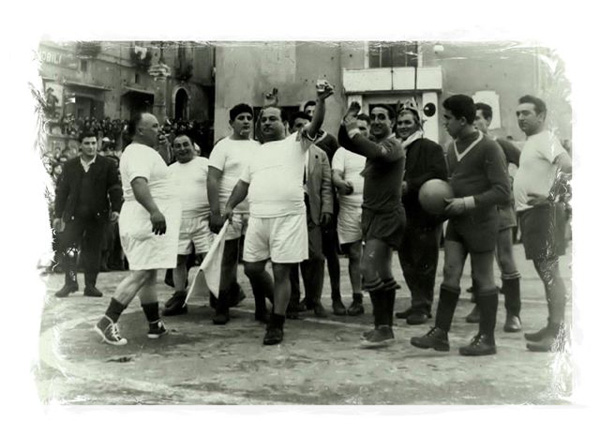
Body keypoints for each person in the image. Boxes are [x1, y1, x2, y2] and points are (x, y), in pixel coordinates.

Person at [223, 81, 334, 345]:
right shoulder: (256, 152)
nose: (267, 123)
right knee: (251, 268)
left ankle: (277, 323)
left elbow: (315, 124)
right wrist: (228, 205)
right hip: (259, 217)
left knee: (282, 271)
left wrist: (321, 101)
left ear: (285, 125)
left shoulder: (297, 143)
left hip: (288, 217)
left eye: (273, 119)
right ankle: (280, 302)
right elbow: (242, 184)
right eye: (264, 119)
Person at [410, 95, 511, 356]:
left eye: (448, 118)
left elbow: (503, 192)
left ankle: (487, 339)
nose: (444, 123)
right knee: (450, 271)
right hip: (457, 221)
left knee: (482, 278)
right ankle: (440, 334)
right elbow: (453, 182)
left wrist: (465, 203)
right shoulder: (451, 146)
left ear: (462, 120)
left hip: (482, 222)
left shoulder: (490, 147)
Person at [94, 113, 182, 346]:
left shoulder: (145, 152)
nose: (159, 129)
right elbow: (138, 183)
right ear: (140, 130)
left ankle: (154, 325)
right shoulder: (138, 152)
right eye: (154, 126)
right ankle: (107, 320)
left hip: (144, 219)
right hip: (144, 219)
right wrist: (154, 211)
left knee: (148, 274)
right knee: (141, 274)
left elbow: (156, 174)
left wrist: (163, 147)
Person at [338, 102, 406, 348]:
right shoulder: (376, 145)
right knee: (385, 273)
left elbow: (377, 153)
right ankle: (384, 328)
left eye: (382, 117)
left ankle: (382, 327)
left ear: (392, 123)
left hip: (387, 216)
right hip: (373, 216)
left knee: (367, 269)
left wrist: (354, 130)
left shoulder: (393, 145)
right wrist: (347, 121)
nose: (376, 121)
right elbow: (347, 143)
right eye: (374, 117)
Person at [513, 95, 571, 352]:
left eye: (526, 112)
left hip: (544, 214)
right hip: (532, 215)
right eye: (518, 113)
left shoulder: (546, 139)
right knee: (545, 272)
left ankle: (557, 332)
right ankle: (552, 327)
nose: (521, 117)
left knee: (550, 274)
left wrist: (552, 196)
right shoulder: (533, 142)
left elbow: (568, 165)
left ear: (541, 115)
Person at [465, 102, 523, 333]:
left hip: (499, 209)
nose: (475, 123)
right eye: (471, 119)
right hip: (476, 210)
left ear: (488, 121)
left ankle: (513, 314)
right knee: (478, 263)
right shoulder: (466, 146)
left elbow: (525, 164)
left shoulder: (499, 144)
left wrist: (513, 184)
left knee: (505, 260)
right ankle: (481, 306)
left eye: (479, 118)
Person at [393, 102, 449, 325]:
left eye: (408, 122)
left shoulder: (430, 147)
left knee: (424, 261)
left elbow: (439, 174)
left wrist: (411, 185)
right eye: (400, 123)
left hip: (425, 214)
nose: (404, 126)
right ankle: (416, 301)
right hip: (401, 214)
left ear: (417, 123)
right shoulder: (396, 148)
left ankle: (423, 306)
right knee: (406, 260)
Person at [208, 104, 261, 324]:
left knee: (256, 260)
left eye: (249, 117)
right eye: (241, 118)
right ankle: (222, 306)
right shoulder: (222, 147)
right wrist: (215, 212)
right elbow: (212, 179)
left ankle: (261, 308)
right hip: (229, 211)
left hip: (254, 210)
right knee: (227, 260)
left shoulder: (258, 146)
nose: (246, 121)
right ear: (231, 123)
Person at [54, 131, 123, 298]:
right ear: (80, 146)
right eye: (87, 143)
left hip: (97, 215)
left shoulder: (107, 164)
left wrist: (116, 209)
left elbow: (114, 187)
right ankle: (70, 284)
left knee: (93, 251)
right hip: (74, 215)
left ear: (97, 144)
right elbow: (62, 191)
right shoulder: (70, 165)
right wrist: (58, 215)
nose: (91, 147)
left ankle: (90, 285)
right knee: (69, 248)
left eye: (93, 143)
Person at [287, 111, 334, 319]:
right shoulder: (285, 153)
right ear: (291, 129)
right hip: (288, 210)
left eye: (307, 126)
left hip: (311, 209)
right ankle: (292, 301)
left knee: (315, 255)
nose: (303, 130)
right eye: (298, 126)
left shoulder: (319, 154)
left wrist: (326, 208)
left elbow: (326, 184)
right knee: (289, 257)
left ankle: (314, 299)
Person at [162, 133, 214, 316]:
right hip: (179, 221)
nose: (182, 148)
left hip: (203, 220)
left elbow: (216, 187)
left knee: (209, 259)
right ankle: (179, 296)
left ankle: (217, 296)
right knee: (178, 260)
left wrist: (215, 212)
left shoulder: (205, 164)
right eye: (178, 146)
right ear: (173, 149)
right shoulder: (170, 170)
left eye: (186, 144)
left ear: (194, 146)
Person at [304, 100, 344, 315]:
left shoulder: (329, 142)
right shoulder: (297, 144)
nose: (312, 117)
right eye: (308, 114)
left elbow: (331, 177)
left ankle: (335, 297)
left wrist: (328, 207)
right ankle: (307, 297)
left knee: (328, 254)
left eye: (314, 113)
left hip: (324, 208)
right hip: (304, 208)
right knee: (306, 255)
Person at [331, 113, 368, 316]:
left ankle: (379, 295)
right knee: (354, 254)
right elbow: (335, 174)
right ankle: (357, 298)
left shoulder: (374, 149)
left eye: (364, 128)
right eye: (357, 128)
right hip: (349, 208)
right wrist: (341, 183)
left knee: (375, 254)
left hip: (372, 208)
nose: (360, 132)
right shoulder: (342, 151)